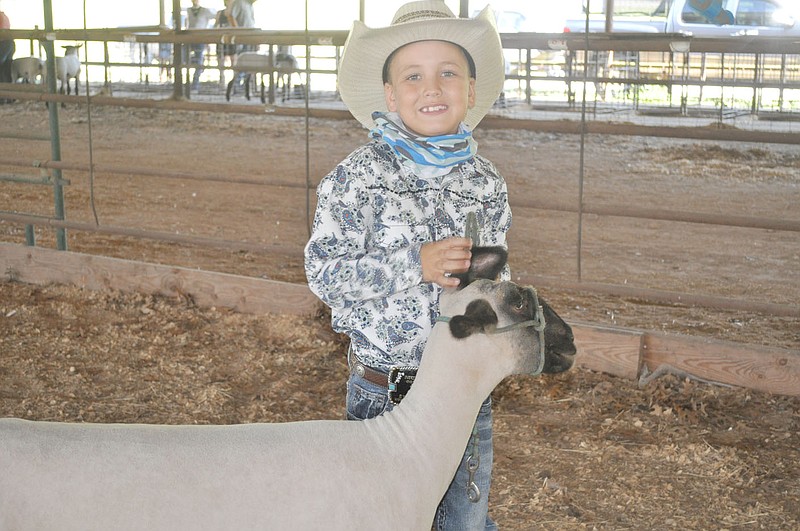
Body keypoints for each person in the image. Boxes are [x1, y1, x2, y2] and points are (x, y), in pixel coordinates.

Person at [304, 2, 509, 529]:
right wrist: (413, 264)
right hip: (383, 391)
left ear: (469, 88)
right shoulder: (357, 178)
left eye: (448, 73)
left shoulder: (485, 183)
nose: (432, 88)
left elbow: (495, 277)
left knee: (464, 519)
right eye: (413, 76)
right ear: (391, 96)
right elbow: (324, 273)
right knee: (383, 518)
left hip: (463, 390)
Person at [186, 0, 215, 91]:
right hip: (190, 37)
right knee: (185, 58)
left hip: (200, 38)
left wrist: (210, 32)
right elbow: (187, 23)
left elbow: (215, 17)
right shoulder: (188, 10)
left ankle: (195, 84)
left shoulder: (205, 11)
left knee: (198, 59)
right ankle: (201, 65)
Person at [214, 0, 238, 86]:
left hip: (232, 40)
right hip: (222, 39)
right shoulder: (220, 13)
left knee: (233, 61)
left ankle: (234, 81)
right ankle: (222, 80)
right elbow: (216, 25)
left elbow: (236, 26)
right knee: (221, 59)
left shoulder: (235, 13)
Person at [0, 6, 15, 93]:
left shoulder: (1, 16)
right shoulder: (3, 16)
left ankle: (3, 96)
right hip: (9, 43)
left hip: (3, 43)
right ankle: (9, 96)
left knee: (2, 68)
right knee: (6, 68)